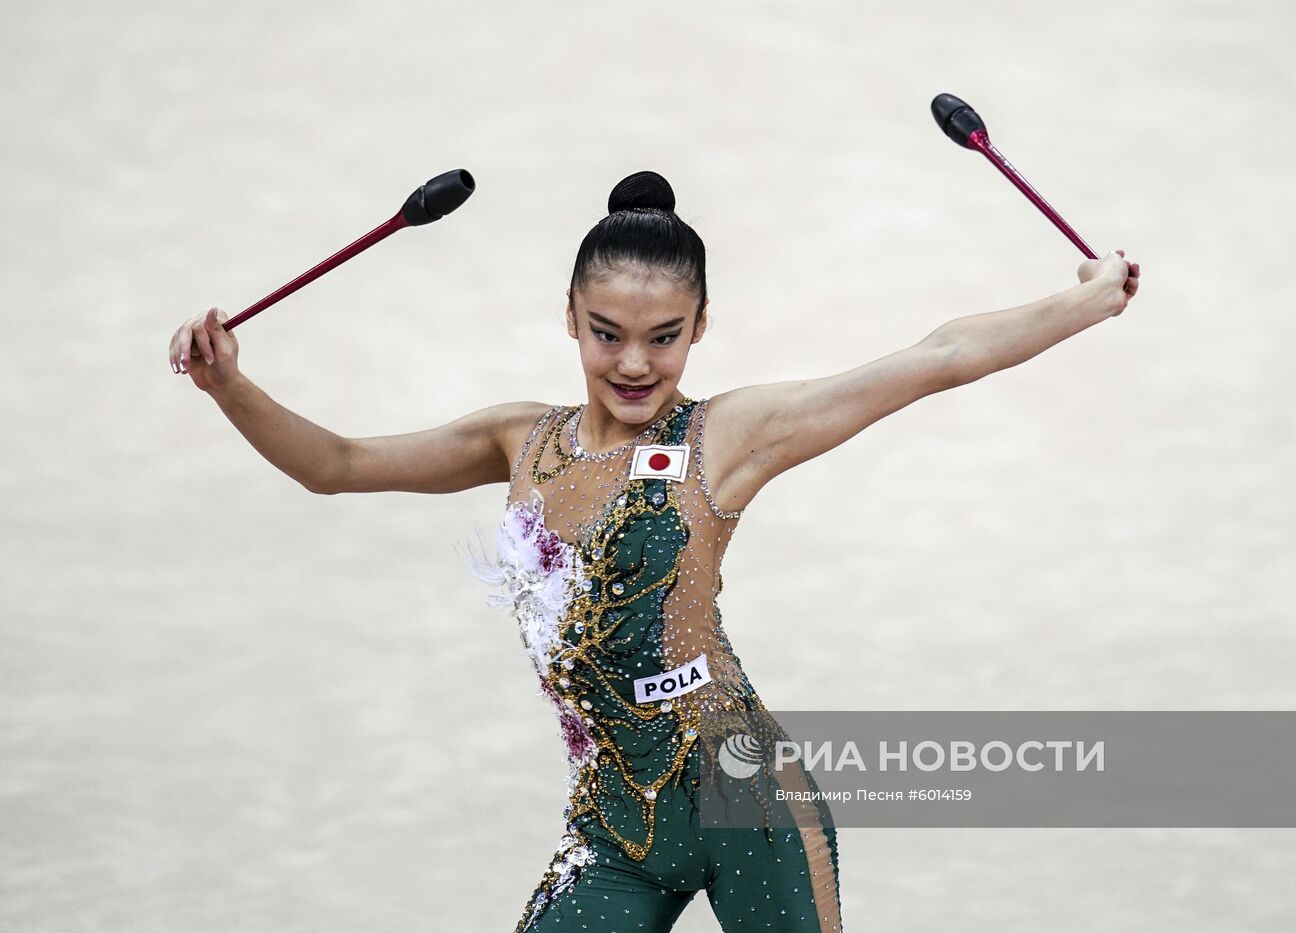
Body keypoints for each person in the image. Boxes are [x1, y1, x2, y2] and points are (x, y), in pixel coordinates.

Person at [168, 170, 1141, 932]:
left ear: (699, 328)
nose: (634, 363)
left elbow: (935, 356)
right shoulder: (518, 441)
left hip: (743, 800)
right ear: (569, 319)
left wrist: (1085, 303)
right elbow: (335, 463)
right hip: (611, 827)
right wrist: (229, 388)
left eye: (663, 338)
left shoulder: (727, 436)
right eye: (606, 335)